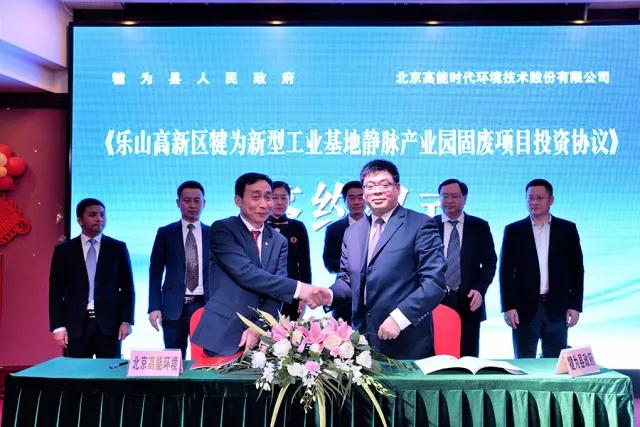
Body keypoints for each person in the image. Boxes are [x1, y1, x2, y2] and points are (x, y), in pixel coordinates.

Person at [191, 173, 326, 356]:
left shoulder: (279, 240)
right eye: (256, 197)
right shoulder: (223, 229)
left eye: (268, 197)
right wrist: (299, 289)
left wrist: (258, 328)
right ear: (238, 200)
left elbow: (276, 294)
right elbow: (246, 273)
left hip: (264, 335)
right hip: (223, 330)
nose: (264, 204)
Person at [325, 160, 447, 359]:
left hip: (406, 340)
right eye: (370, 186)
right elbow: (347, 280)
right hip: (361, 341)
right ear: (364, 192)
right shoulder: (352, 232)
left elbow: (435, 282)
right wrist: (328, 295)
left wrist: (399, 318)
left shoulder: (420, 224)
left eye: (384, 184)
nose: (377, 191)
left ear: (397, 188)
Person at [500, 179, 584, 358]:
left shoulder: (567, 229)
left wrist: (575, 305)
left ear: (551, 200)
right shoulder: (514, 230)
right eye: (530, 198)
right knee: (524, 361)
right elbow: (505, 273)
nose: (534, 202)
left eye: (540, 198)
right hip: (524, 309)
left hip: (557, 307)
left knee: (555, 362)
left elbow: (577, 270)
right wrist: (508, 307)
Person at [49, 198, 135, 358]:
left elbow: (128, 288)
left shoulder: (117, 248)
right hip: (76, 324)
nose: (99, 219)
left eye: (102, 215)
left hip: (109, 324)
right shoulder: (64, 251)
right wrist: (58, 326)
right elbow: (56, 292)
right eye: (93, 215)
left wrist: (126, 321)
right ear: (80, 220)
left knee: (109, 370)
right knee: (77, 371)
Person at [434, 178, 497, 357]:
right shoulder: (429, 225)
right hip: (437, 302)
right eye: (445, 196)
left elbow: (490, 262)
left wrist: (480, 289)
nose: (449, 200)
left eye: (454, 196)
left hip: (470, 301)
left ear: (465, 198)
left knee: (469, 357)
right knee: (439, 357)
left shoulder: (479, 226)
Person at [148, 181, 210, 358]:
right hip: (173, 307)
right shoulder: (165, 233)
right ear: (178, 203)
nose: (192, 205)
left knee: (204, 358)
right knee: (173, 359)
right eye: (187, 200)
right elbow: (155, 272)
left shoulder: (213, 233)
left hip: (204, 305)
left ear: (204, 203)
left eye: (197, 200)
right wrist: (154, 306)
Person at [266, 181, 312, 321]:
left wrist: (305, 295)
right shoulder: (259, 225)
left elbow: (304, 264)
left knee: (289, 332)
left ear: (289, 200)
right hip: (263, 290)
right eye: (274, 197)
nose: (279, 202)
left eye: (284, 198)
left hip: (292, 291)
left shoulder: (298, 227)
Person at [322, 180, 366, 324]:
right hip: (345, 294)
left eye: (361, 197)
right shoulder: (334, 229)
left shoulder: (380, 226)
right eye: (352, 198)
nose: (357, 201)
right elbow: (329, 263)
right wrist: (352, 265)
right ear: (344, 200)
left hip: (374, 294)